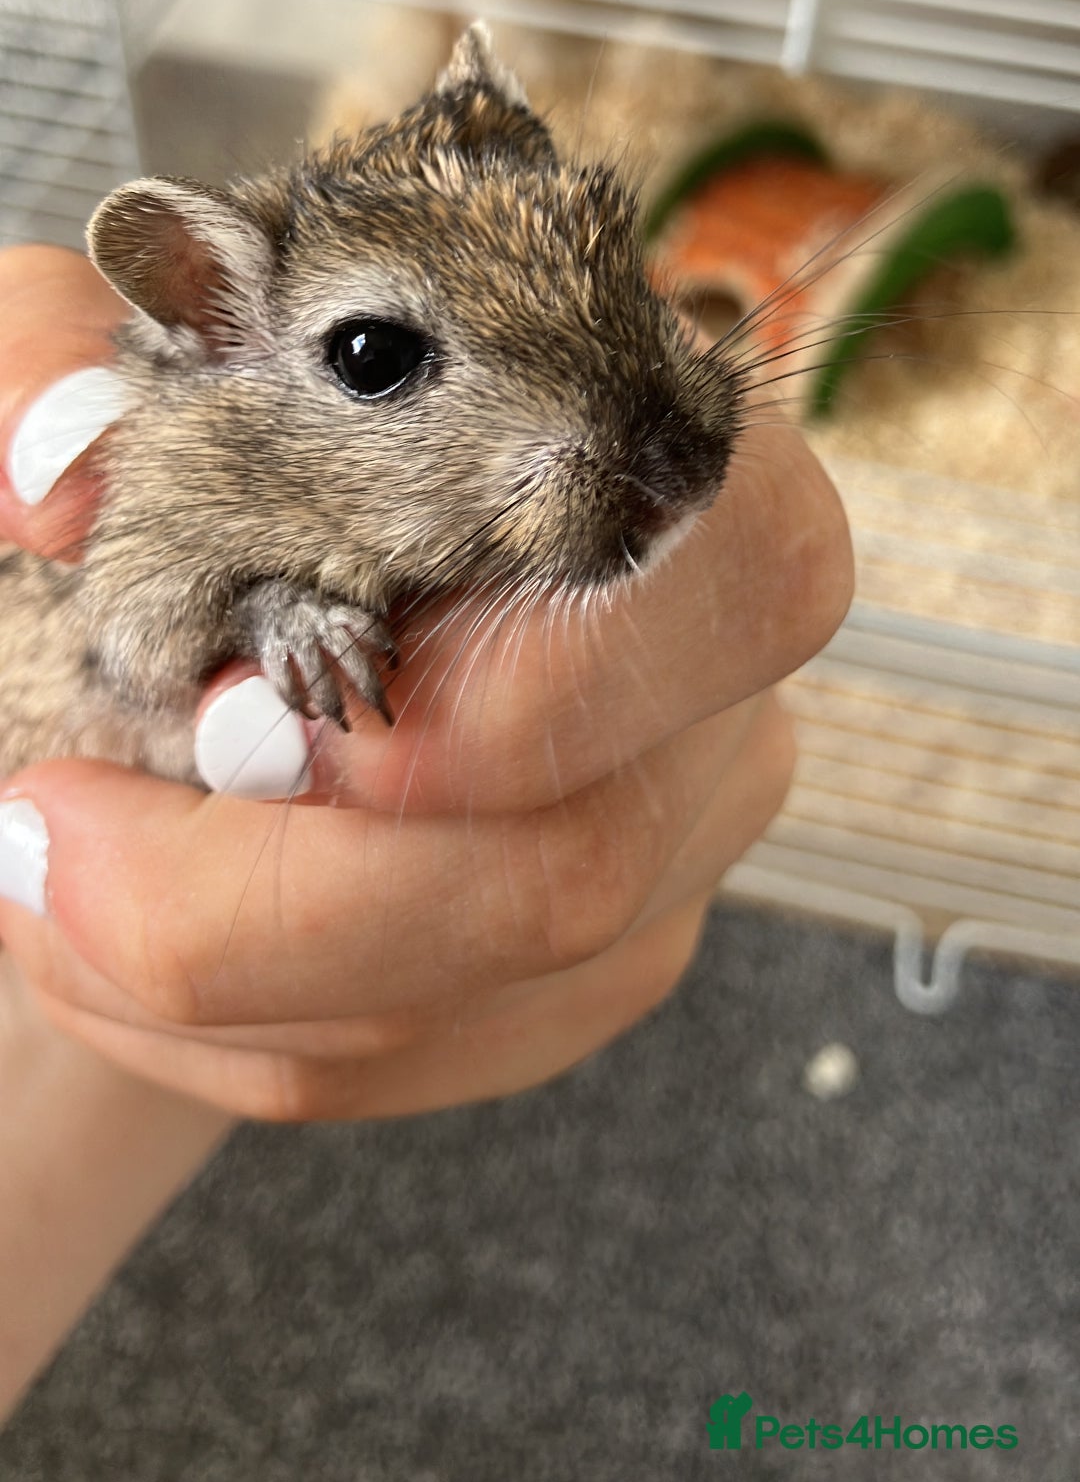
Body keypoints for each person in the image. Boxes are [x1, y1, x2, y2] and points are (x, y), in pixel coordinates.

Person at [0, 242, 854, 1416]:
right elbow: (137, 633)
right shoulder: (185, 466)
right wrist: (271, 609)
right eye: (375, 358)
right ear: (206, 323)